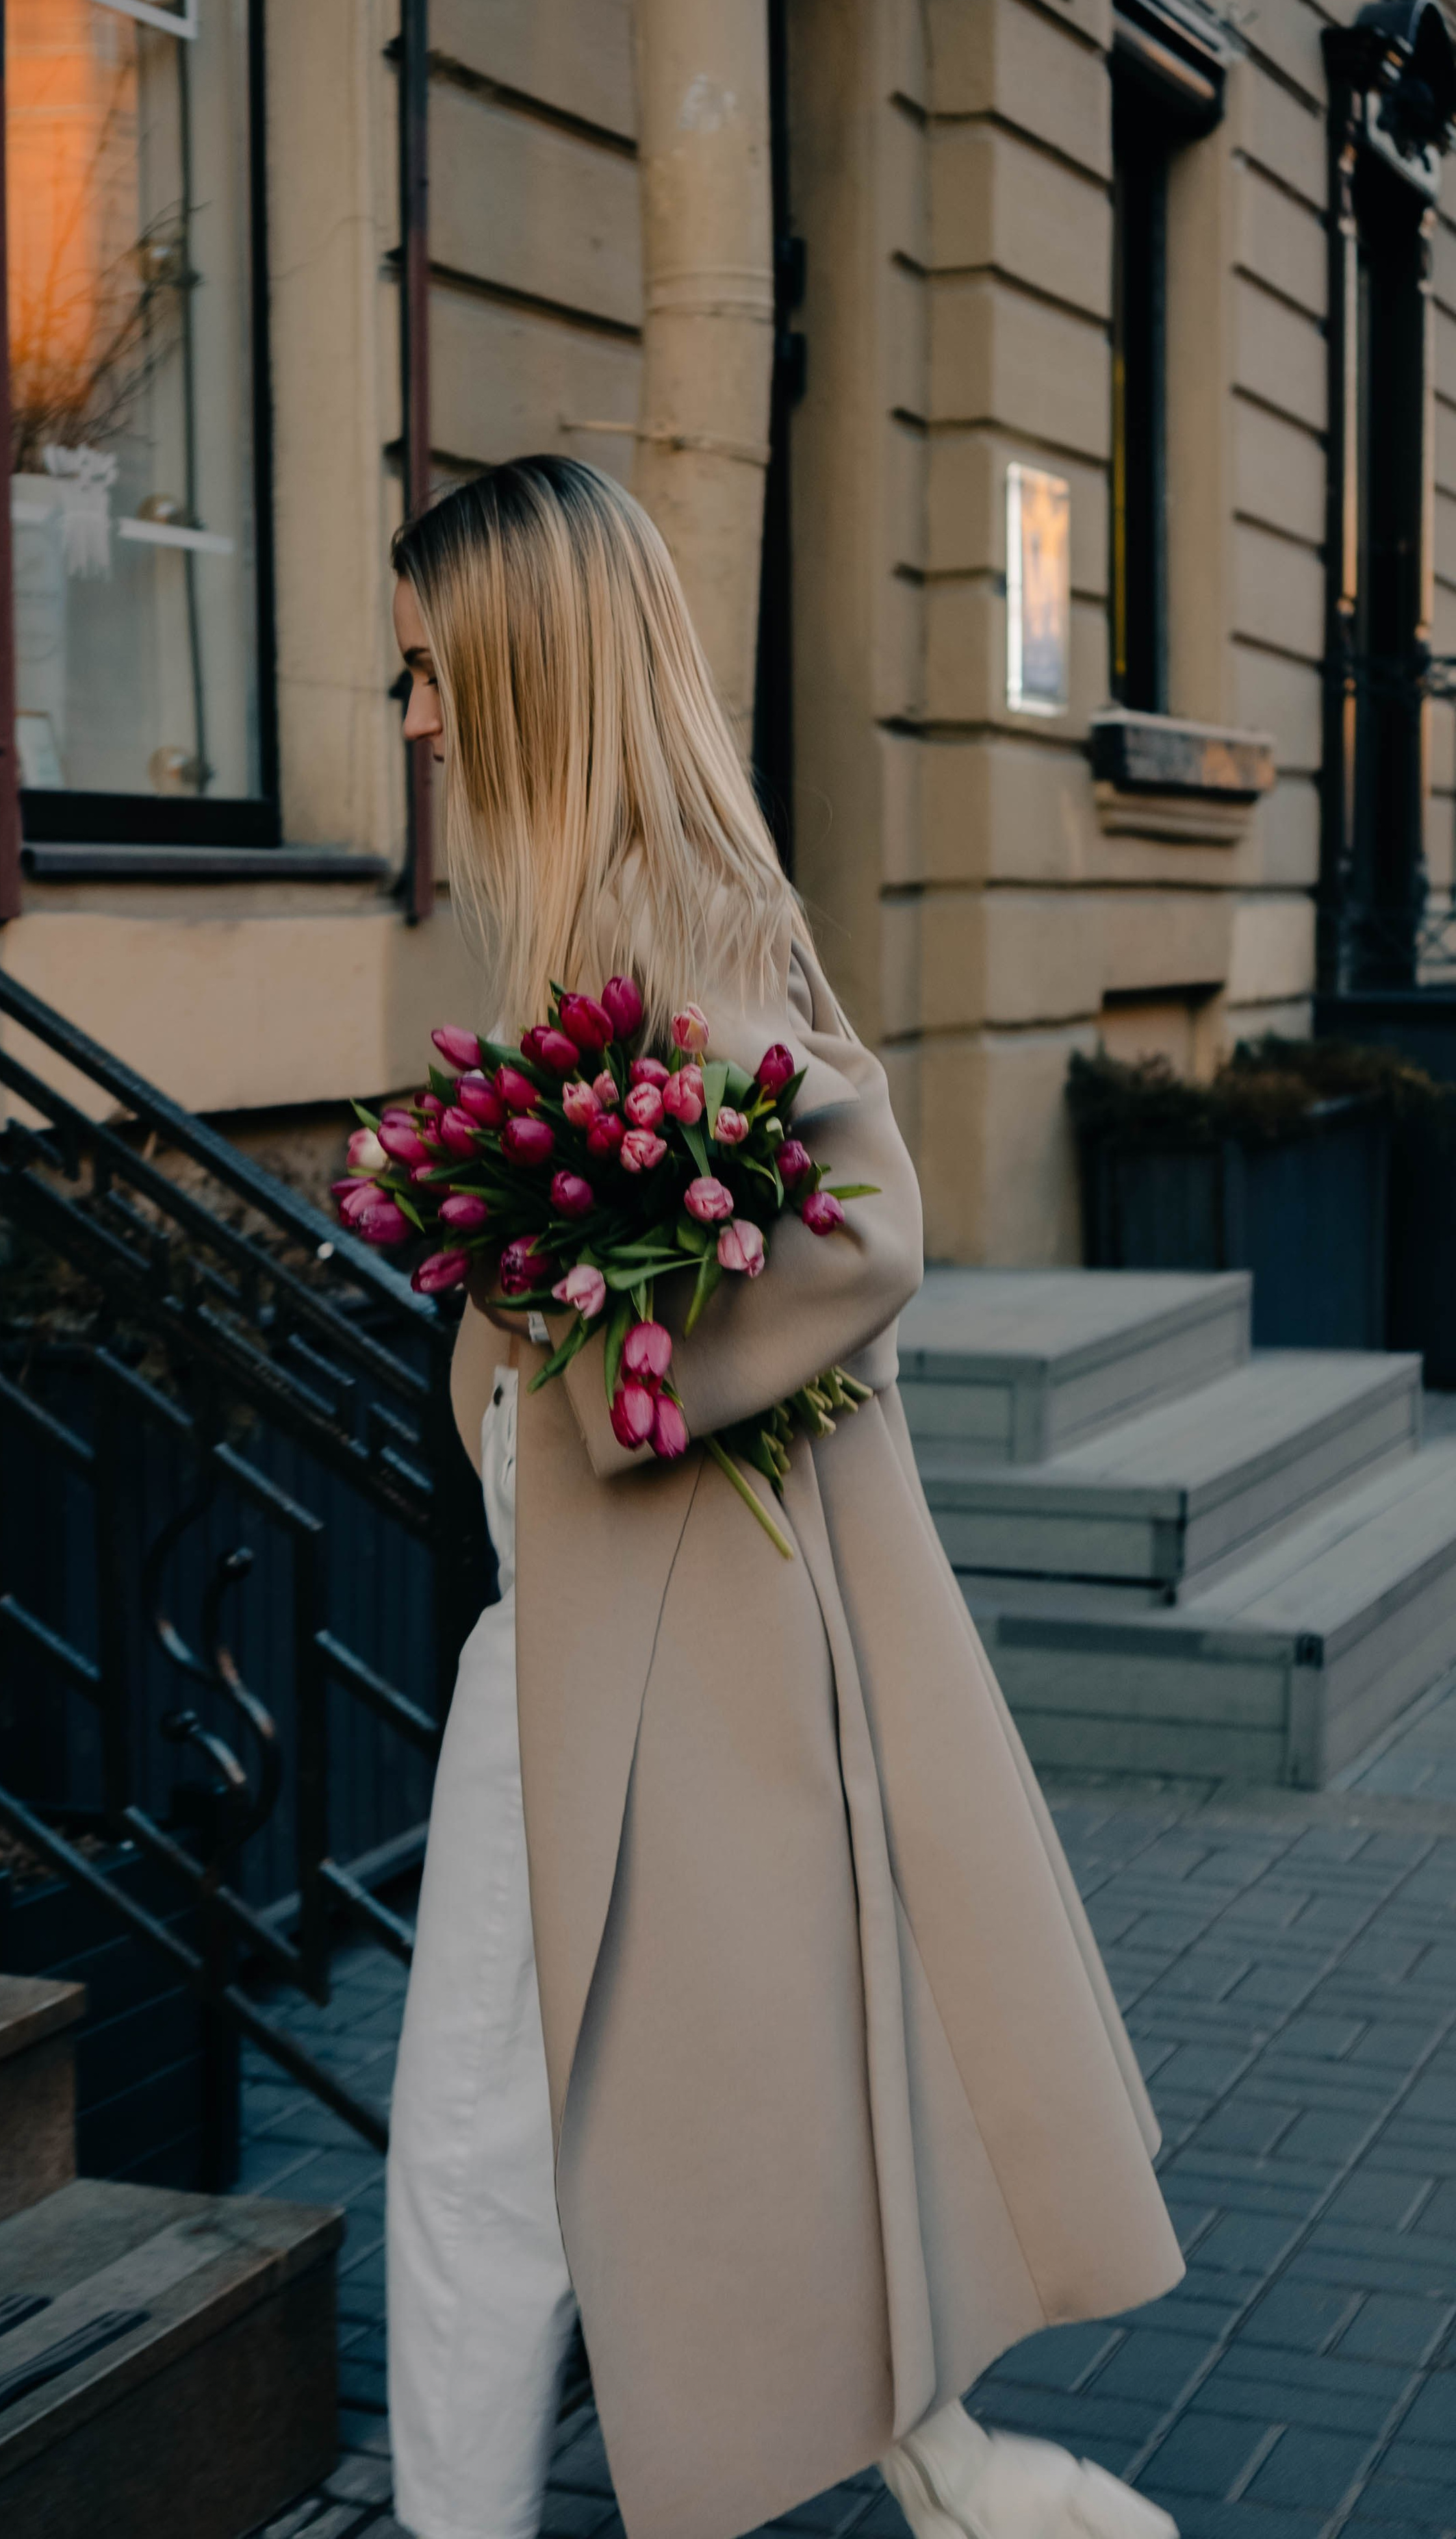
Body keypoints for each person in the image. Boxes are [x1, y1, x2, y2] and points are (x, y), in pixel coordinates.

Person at [382, 455, 1185, 2539]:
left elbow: (861, 1220)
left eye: (427, 673)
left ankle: (939, 2477)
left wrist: (613, 1357)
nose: (410, 721)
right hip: (609, 1657)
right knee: (637, 2128)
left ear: (522, 670)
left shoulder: (675, 931)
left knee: (488, 2162)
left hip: (633, 1666)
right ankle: (956, 2480)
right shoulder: (605, 926)